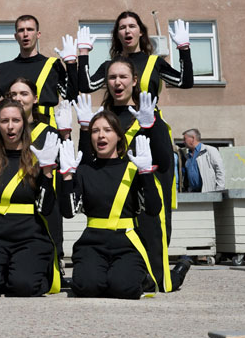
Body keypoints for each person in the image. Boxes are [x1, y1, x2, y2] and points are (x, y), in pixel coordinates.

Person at [74, 56, 187, 293]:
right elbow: (87, 163)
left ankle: (179, 271)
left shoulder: (146, 112)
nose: (117, 82)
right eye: (112, 77)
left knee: (157, 279)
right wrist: (85, 130)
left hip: (142, 195)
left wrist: (151, 126)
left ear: (134, 80)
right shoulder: (102, 117)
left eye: (123, 77)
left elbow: (165, 162)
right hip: (112, 198)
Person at [60, 113, 167, 299]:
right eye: (95, 131)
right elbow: (68, 212)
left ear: (118, 136)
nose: (101, 135)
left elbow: (153, 209)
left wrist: (146, 174)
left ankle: (152, 276)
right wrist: (67, 177)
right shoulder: (84, 170)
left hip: (127, 243)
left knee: (124, 289)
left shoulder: (134, 168)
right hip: (92, 242)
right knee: (86, 287)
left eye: (107, 130)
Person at [0, 99, 60, 297]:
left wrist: (47, 171)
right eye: (4, 121)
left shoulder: (37, 157)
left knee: (23, 287)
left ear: (23, 124)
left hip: (29, 235)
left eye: (16, 120)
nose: (10, 126)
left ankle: (34, 269)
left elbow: (45, 208)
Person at [6, 77, 72, 267]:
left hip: (46, 204)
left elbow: (66, 163)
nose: (18, 98)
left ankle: (56, 262)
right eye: (13, 94)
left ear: (35, 98)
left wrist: (66, 135)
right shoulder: (0, 132)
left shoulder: (49, 132)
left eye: (23, 94)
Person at [0, 15, 78, 128]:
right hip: (12, 132)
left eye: (30, 29)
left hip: (46, 132)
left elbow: (72, 98)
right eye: (21, 30)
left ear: (38, 34)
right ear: (16, 36)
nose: (25, 34)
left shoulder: (53, 65)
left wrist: (71, 64)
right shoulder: (4, 69)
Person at [77, 11, 193, 97]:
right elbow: (86, 87)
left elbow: (185, 82)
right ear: (117, 34)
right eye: (122, 27)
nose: (127, 31)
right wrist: (83, 53)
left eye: (132, 26)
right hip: (119, 125)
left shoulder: (154, 62)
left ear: (141, 32)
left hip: (149, 126)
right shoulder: (110, 65)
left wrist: (184, 49)